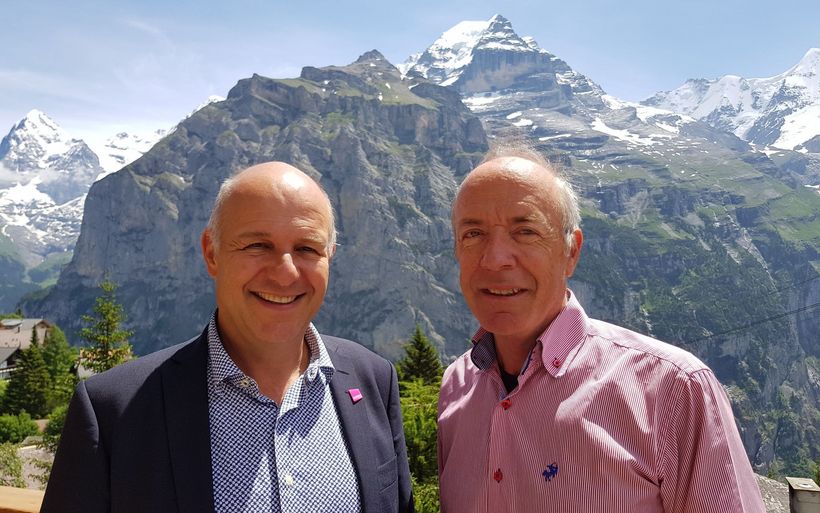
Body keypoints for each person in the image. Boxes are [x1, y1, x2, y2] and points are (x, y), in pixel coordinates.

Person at [42, 162, 413, 513]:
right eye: (257, 245)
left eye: (307, 248)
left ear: (329, 256)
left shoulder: (375, 381)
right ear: (212, 253)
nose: (285, 274)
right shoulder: (111, 411)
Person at [437, 147, 766, 513]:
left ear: (571, 252)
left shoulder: (674, 391)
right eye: (473, 234)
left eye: (526, 231)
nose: (496, 258)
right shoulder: (455, 387)